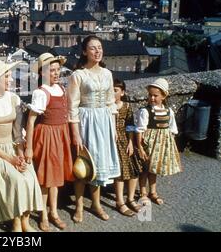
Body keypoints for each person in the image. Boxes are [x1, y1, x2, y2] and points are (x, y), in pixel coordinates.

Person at [0, 60, 43, 232]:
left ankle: (25, 221)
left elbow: (17, 133)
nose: (10, 80)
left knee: (29, 176)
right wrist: (10, 159)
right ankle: (16, 222)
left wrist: (20, 153)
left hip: (14, 148)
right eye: (6, 77)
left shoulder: (14, 99)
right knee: (16, 180)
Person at [68, 35, 120, 223]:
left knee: (98, 165)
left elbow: (110, 102)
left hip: (104, 122)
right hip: (86, 122)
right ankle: (79, 206)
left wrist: (113, 129)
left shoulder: (107, 74)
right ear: (84, 52)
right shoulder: (78, 75)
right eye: (92, 48)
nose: (97, 51)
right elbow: (72, 107)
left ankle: (95, 204)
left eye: (99, 47)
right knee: (84, 165)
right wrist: (76, 134)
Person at [25, 53, 74, 232]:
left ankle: (54, 211)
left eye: (57, 69)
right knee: (46, 178)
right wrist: (29, 147)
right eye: (51, 70)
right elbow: (31, 121)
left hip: (61, 134)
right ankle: (43, 214)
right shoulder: (40, 92)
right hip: (47, 135)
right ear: (42, 73)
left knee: (56, 176)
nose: (56, 73)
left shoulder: (61, 88)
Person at [134, 78, 182, 205]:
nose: (152, 98)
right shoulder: (145, 111)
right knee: (145, 168)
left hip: (162, 144)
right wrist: (140, 147)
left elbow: (172, 129)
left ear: (163, 96)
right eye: (150, 95)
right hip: (148, 143)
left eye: (155, 95)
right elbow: (139, 130)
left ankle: (153, 192)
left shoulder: (169, 111)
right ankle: (143, 192)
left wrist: (169, 146)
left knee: (153, 168)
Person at [113, 78, 142, 216]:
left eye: (115, 90)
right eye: (110, 90)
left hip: (125, 139)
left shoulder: (127, 106)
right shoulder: (107, 107)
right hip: (112, 141)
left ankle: (130, 198)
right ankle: (119, 201)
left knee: (133, 168)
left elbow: (130, 126)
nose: (112, 93)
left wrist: (131, 142)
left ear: (122, 92)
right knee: (119, 170)